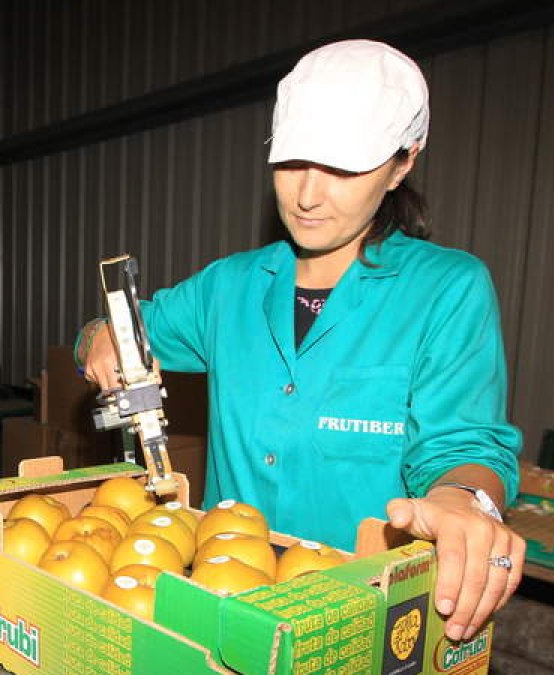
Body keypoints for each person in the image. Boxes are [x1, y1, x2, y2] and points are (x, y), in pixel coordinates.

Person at [77, 40, 524, 643]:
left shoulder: (447, 289)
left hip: (359, 618)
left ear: (403, 162)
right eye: (292, 164)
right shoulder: (230, 287)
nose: (308, 195)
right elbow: (122, 329)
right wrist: (102, 336)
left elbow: (466, 444)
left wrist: (465, 500)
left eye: (343, 169)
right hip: (225, 605)